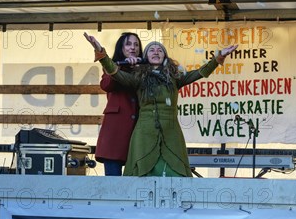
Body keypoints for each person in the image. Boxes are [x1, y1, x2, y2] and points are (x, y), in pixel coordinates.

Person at [85, 33, 238, 177]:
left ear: (165, 56)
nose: (156, 52)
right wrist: (101, 52)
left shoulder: (174, 77)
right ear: (145, 57)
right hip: (144, 132)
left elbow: (199, 73)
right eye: (151, 49)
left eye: (160, 50)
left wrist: (218, 57)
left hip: (171, 132)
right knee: (141, 175)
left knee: (174, 174)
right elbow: (114, 72)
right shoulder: (138, 77)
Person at [95, 32, 143, 176]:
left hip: (137, 131)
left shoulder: (144, 68)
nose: (132, 48)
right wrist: (119, 68)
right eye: (128, 44)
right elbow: (106, 85)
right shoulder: (112, 66)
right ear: (121, 49)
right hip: (115, 132)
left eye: (136, 44)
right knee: (113, 184)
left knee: (135, 185)